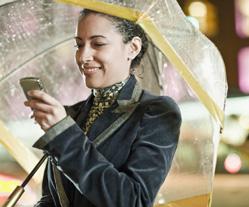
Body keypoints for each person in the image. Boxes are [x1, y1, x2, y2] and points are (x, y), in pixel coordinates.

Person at [24, 9, 181, 207]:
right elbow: (53, 199)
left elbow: (133, 201)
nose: (83, 56)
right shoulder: (71, 115)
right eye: (79, 45)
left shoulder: (156, 112)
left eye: (98, 44)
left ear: (132, 48)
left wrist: (63, 135)